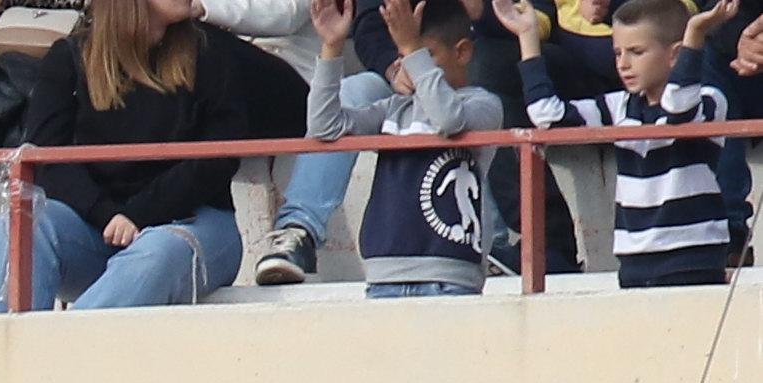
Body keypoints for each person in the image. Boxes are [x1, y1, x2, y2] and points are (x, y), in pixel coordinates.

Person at [0, 0, 264, 307]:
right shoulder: (70, 57)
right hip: (99, 227)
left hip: (195, 219)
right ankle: (19, 348)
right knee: (20, 225)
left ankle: (57, 352)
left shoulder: (212, 53)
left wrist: (138, 214)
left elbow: (215, 160)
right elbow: (47, 158)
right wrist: (107, 214)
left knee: (159, 250)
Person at [503, 0, 738, 285]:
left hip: (692, 258)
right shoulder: (619, 107)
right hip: (634, 259)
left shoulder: (710, 100)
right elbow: (547, 115)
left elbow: (678, 109)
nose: (623, 64)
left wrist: (695, 35)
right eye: (617, 53)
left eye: (637, 52)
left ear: (676, 54)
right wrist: (528, 38)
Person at [290, 0, 514, 293]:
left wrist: (411, 50)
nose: (410, 66)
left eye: (425, 55)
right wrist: (332, 47)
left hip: (450, 274)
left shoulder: (483, 105)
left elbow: (448, 119)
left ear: (462, 52)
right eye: (402, 56)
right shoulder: (392, 109)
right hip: (384, 274)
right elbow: (326, 127)